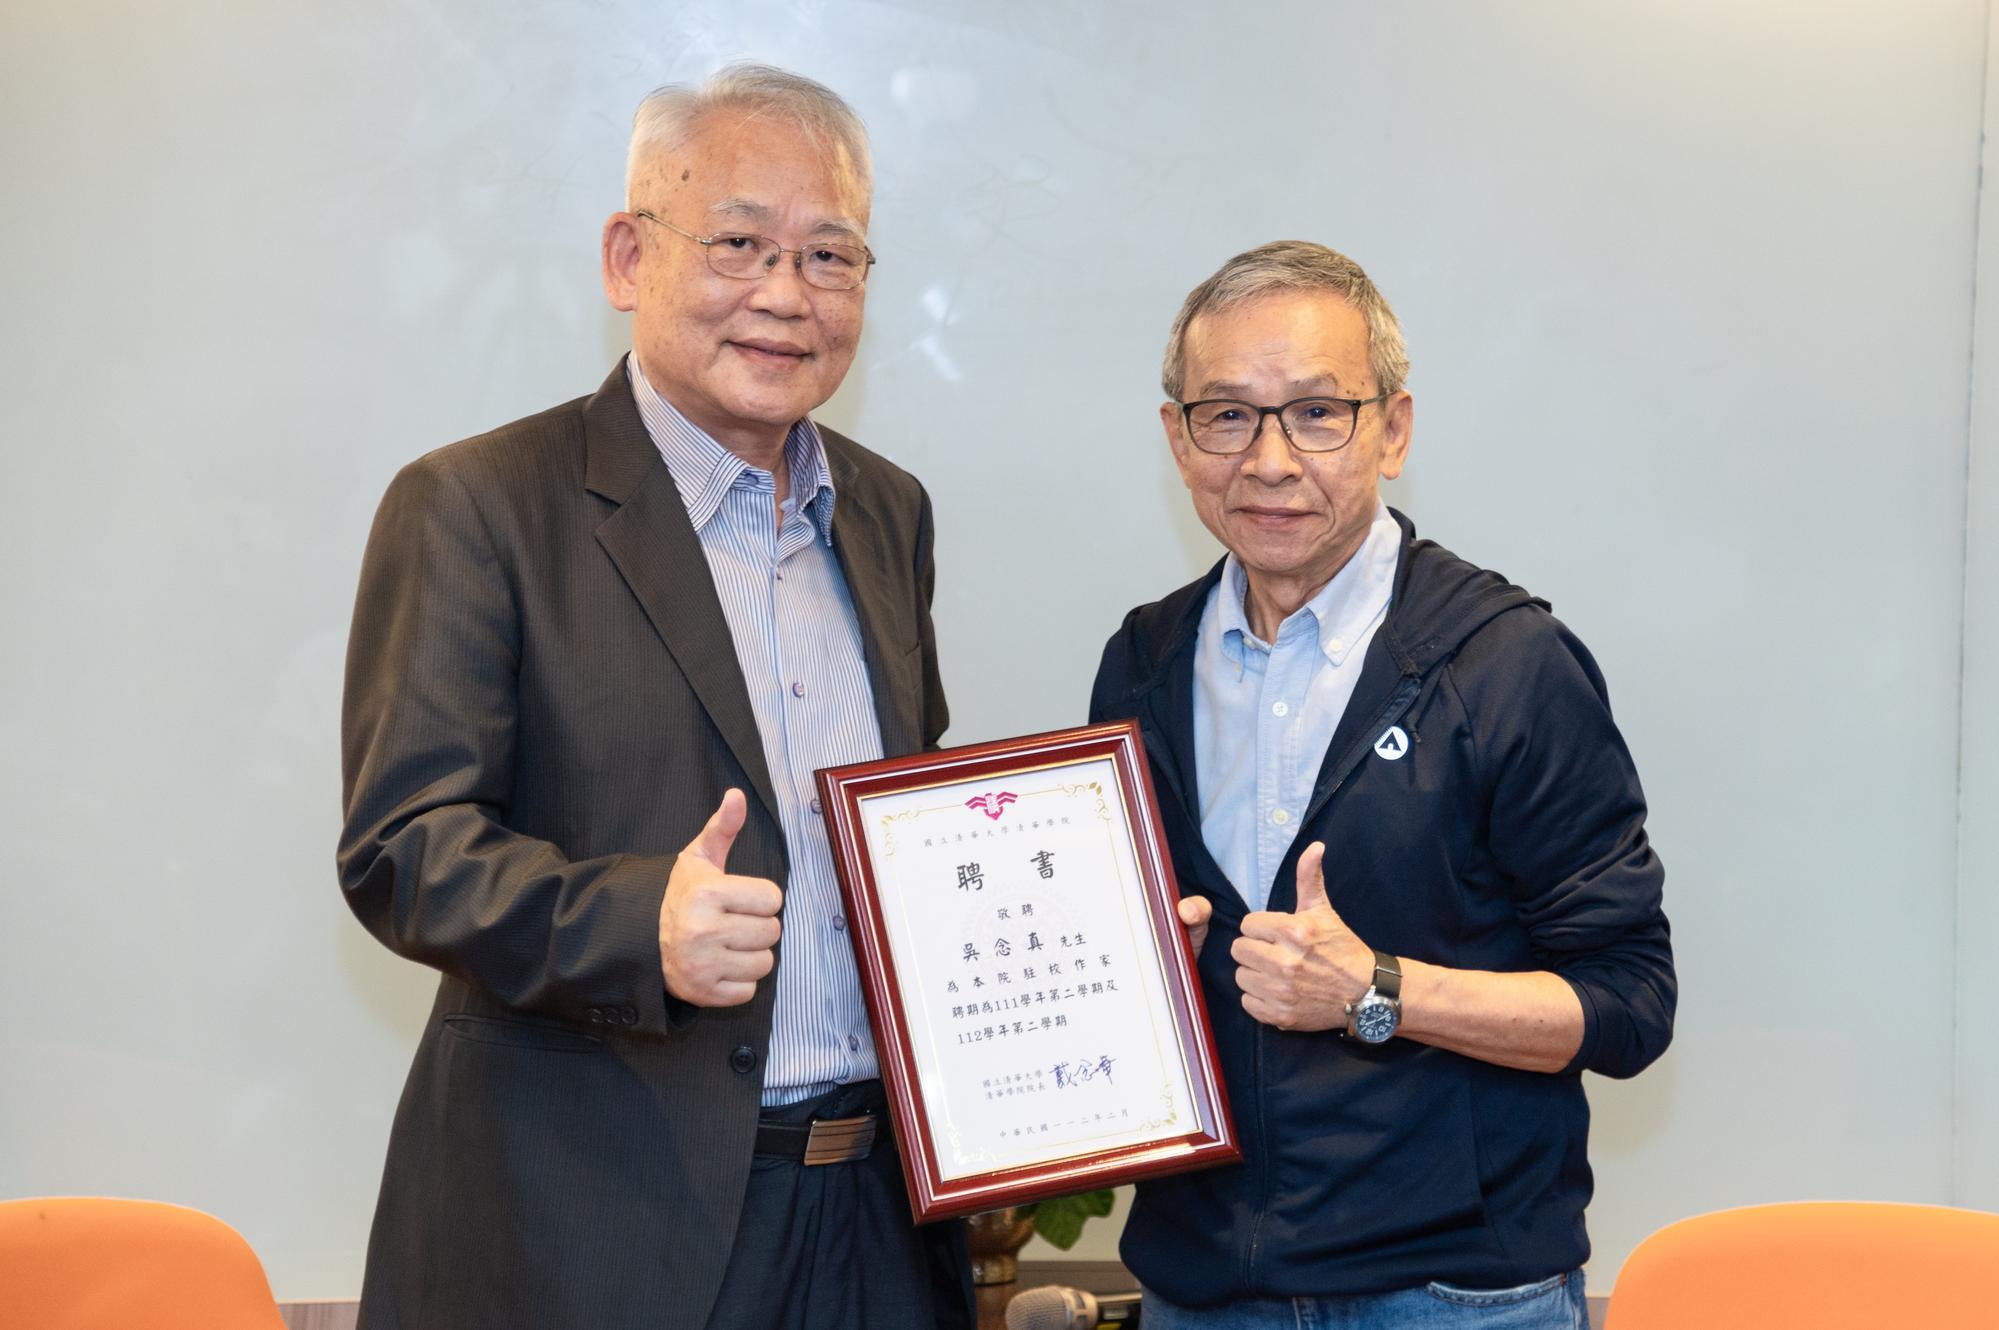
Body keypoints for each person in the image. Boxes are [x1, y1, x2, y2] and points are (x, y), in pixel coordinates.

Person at [338, 65, 968, 1330]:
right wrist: (639, 924)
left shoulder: (887, 510)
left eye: (830, 256)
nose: (785, 294)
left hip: (876, 1223)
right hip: (603, 1226)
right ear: (629, 257)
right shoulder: (476, 505)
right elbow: (403, 848)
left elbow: (902, 821)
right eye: (739, 243)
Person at [1088, 241, 1676, 1328]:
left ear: (1392, 430)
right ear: (1177, 438)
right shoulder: (1141, 661)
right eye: (1227, 415)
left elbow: (1628, 1003)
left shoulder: (1506, 664)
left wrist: (1374, 990)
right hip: (1200, 1286)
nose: (1269, 460)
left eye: (1318, 413)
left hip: (1451, 1294)